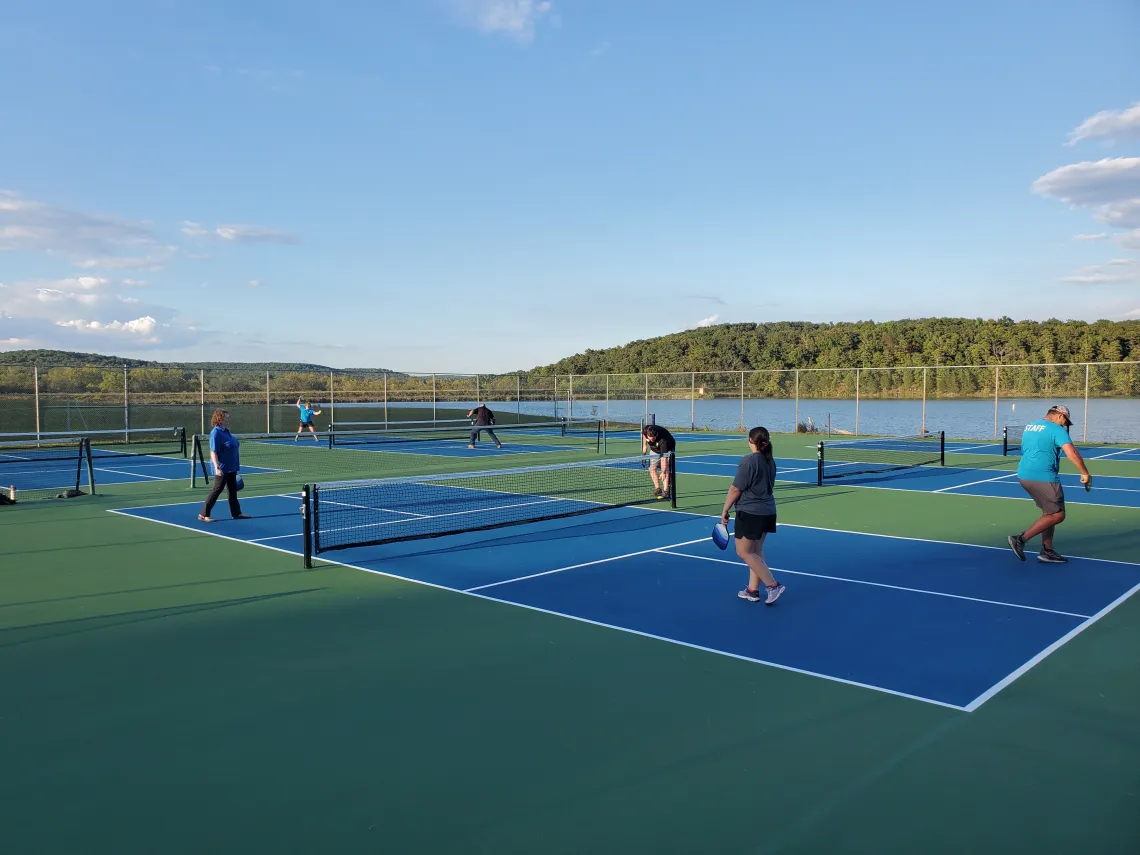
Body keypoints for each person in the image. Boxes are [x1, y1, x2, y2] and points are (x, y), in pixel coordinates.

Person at [1007, 404, 1091, 564]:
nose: (1065, 426)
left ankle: (1047, 551)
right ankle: (1020, 539)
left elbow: (1025, 449)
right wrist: (1085, 472)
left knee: (1048, 513)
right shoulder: (1056, 430)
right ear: (1061, 416)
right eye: (1065, 422)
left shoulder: (1030, 426)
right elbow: (1072, 452)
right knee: (1058, 514)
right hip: (1044, 477)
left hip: (1024, 474)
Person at [721, 426, 785, 605]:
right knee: (755, 551)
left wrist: (725, 510)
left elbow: (735, 489)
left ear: (750, 441)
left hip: (750, 513)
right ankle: (752, 590)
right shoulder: (770, 461)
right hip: (768, 512)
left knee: (743, 551)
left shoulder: (748, 461)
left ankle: (773, 586)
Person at [198, 409, 251, 523]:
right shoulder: (216, 433)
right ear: (219, 419)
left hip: (232, 467)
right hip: (222, 468)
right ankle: (203, 514)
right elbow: (213, 451)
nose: (228, 419)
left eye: (228, 417)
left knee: (232, 491)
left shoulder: (226, 431)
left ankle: (236, 513)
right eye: (226, 417)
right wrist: (217, 467)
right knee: (217, 489)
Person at [641, 423, 676, 500]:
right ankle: (658, 490)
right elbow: (643, 434)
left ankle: (666, 492)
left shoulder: (663, 441)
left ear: (656, 435)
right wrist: (644, 445)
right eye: (650, 438)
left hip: (668, 449)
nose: (652, 440)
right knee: (652, 468)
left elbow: (664, 458)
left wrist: (663, 472)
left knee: (666, 470)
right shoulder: (645, 431)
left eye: (654, 438)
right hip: (654, 450)